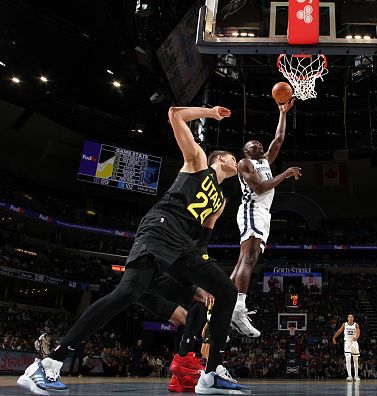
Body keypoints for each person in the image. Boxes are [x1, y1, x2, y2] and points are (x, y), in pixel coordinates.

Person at [17, 105, 250, 395]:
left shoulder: (221, 202)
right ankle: (50, 363)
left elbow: (201, 241)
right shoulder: (199, 162)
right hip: (160, 227)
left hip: (181, 245)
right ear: (222, 159)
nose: (237, 160)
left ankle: (50, 361)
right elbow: (175, 114)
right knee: (130, 293)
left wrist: (199, 281)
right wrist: (209, 112)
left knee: (200, 296)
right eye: (233, 157)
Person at [230, 99, 302, 337]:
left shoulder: (264, 161)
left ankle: (225, 305)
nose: (258, 144)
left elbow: (278, 139)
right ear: (245, 150)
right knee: (248, 258)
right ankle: (239, 307)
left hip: (263, 214)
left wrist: (282, 113)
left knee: (246, 261)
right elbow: (260, 189)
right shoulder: (245, 163)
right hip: (251, 209)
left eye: (259, 143)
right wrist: (285, 173)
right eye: (253, 144)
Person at [332, 314, 361, 382]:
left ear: (353, 318)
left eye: (351, 317)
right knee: (348, 358)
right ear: (347, 318)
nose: (350, 318)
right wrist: (334, 337)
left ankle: (356, 375)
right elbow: (339, 331)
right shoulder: (344, 324)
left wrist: (356, 337)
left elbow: (358, 332)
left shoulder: (356, 325)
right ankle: (349, 376)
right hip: (347, 342)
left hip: (354, 343)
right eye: (349, 317)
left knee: (356, 359)